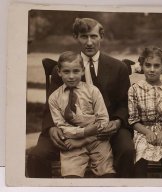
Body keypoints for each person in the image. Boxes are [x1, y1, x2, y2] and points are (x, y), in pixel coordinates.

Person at [27, 18, 135, 178]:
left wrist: (118, 121)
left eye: (93, 36)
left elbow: (125, 103)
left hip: (108, 126)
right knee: (37, 155)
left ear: (101, 36)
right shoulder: (64, 69)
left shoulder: (117, 67)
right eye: (84, 36)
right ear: (76, 37)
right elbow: (52, 104)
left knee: (127, 150)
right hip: (68, 128)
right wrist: (51, 128)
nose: (89, 42)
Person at [48, 51, 115, 178]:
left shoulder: (93, 91)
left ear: (83, 71)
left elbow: (103, 120)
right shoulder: (54, 98)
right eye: (66, 72)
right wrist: (82, 133)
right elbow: (61, 126)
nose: (71, 76)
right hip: (72, 143)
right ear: (59, 72)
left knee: (107, 173)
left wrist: (86, 138)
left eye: (76, 71)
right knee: (71, 177)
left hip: (97, 139)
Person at [128, 47, 162, 178]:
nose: (151, 69)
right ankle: (142, 185)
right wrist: (148, 132)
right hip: (143, 130)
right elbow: (133, 120)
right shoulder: (135, 89)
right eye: (148, 65)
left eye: (156, 66)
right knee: (140, 148)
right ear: (142, 66)